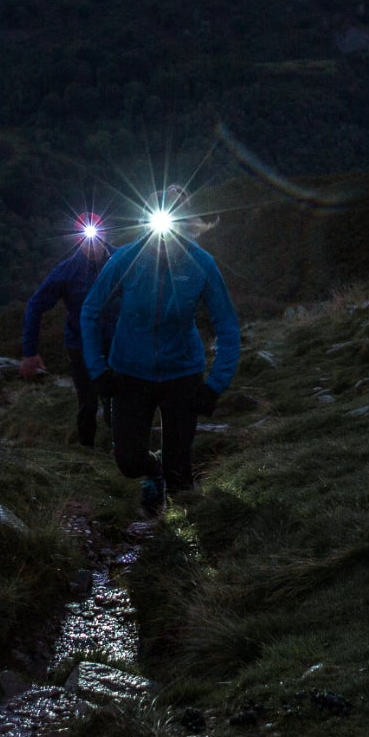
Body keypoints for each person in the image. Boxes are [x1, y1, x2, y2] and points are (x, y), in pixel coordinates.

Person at [80, 187, 240, 514]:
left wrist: (214, 385)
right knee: (128, 461)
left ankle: (178, 543)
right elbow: (90, 311)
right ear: (146, 220)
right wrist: (98, 371)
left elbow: (227, 324)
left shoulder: (201, 264)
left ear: (187, 223)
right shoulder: (125, 259)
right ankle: (153, 472)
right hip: (128, 374)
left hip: (182, 373)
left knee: (180, 471)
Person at [19, 215, 114, 446]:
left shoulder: (122, 260)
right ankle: (87, 452)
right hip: (81, 347)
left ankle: (122, 450)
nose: (93, 244)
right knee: (88, 404)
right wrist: (29, 351)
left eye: (97, 236)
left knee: (117, 400)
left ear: (104, 234)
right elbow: (36, 304)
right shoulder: (69, 270)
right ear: (78, 241)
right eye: (86, 239)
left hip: (116, 343)